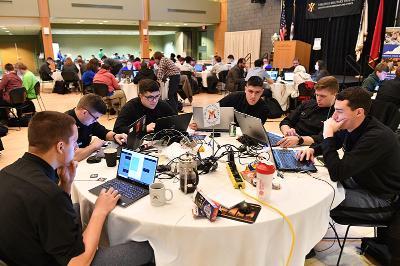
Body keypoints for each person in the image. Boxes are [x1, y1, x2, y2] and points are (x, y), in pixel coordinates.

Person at [0, 111, 154, 265]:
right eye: (74, 142)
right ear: (60, 147)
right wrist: (99, 211)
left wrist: (66, 184)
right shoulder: (49, 194)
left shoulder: (7, 172)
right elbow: (78, 262)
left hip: (20, 252)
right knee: (145, 250)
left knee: (76, 208)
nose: (76, 147)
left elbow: (49, 210)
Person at [297, 87, 400, 265]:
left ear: (359, 112)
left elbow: (338, 172)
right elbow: (334, 143)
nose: (334, 117)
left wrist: (328, 133)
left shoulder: (377, 137)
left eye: (339, 111)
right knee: (308, 181)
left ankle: (302, 248)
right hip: (362, 182)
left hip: (382, 198)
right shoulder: (354, 124)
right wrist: (313, 149)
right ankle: (306, 241)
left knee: (316, 201)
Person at [278, 76, 339, 147]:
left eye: (323, 96)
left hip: (309, 146)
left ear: (335, 94)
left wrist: (299, 140)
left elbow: (323, 138)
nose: (318, 99)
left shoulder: (337, 113)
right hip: (291, 141)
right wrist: (287, 132)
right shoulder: (308, 104)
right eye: (317, 95)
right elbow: (286, 121)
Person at [65, 94, 127, 161]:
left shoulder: (89, 120)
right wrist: (94, 146)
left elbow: (103, 132)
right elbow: (73, 157)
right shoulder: (65, 124)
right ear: (84, 113)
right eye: (95, 118)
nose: (95, 121)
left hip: (84, 160)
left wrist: (115, 136)